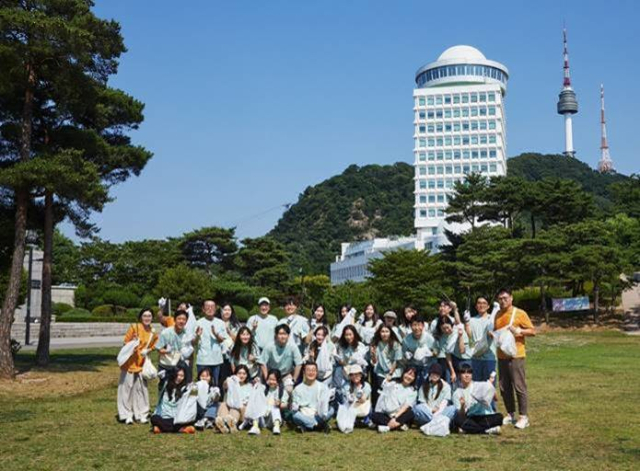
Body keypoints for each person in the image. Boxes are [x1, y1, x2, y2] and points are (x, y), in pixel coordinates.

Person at [493, 287, 535, 429]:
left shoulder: (519, 313)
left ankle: (523, 417)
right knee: (504, 387)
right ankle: (510, 414)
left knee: (519, 385)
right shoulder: (497, 314)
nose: (503, 301)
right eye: (500, 299)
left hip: (516, 355)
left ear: (511, 298)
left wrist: (519, 331)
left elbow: (532, 331)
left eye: (505, 298)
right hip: (501, 355)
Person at [117, 308, 158, 424]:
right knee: (126, 390)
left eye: (149, 316)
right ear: (141, 317)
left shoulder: (152, 332)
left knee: (141, 390)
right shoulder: (134, 328)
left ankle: (142, 413)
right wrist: (133, 344)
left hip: (141, 365)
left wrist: (148, 350)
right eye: (145, 316)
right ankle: (126, 414)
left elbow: (156, 344)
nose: (147, 318)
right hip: (129, 364)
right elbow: (125, 342)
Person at [451, 363, 503, 434]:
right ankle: (486, 430)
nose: (467, 375)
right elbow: (461, 414)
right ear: (459, 375)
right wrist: (462, 405)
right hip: (471, 417)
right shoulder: (457, 393)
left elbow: (496, 399)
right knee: (458, 420)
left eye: (469, 373)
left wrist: (490, 388)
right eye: (464, 373)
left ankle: (470, 430)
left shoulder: (479, 385)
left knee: (499, 417)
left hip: (484, 416)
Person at [290, 362, 334, 433]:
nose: (311, 372)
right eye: (308, 370)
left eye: (313, 370)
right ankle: (318, 426)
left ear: (316, 372)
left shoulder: (323, 387)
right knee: (295, 415)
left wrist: (320, 411)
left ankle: (307, 426)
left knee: (331, 410)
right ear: (304, 372)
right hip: (304, 415)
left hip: (318, 415)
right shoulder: (297, 389)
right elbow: (295, 407)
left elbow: (325, 404)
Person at [150, 366, 195, 434]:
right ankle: (181, 429)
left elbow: (193, 398)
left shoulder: (185, 388)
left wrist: (194, 388)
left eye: (182, 376)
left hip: (178, 418)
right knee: (154, 418)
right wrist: (161, 378)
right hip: (163, 416)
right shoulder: (165, 385)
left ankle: (161, 429)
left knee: (189, 420)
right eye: (177, 375)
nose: (179, 378)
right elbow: (161, 384)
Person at [371, 368, 418, 433]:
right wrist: (389, 375)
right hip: (387, 413)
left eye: (412, 376)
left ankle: (388, 427)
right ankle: (399, 425)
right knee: (374, 415)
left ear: (414, 379)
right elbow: (384, 385)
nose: (409, 377)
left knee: (410, 413)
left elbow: (406, 406)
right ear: (403, 374)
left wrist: (395, 417)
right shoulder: (394, 383)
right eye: (407, 374)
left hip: (399, 414)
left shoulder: (413, 391)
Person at [156, 309, 196, 384]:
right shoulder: (166, 332)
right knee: (165, 388)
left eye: (184, 319)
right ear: (174, 320)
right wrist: (167, 351)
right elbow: (158, 349)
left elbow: (191, 346)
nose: (181, 321)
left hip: (180, 365)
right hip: (167, 365)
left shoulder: (187, 333)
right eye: (179, 319)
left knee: (180, 388)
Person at [194, 299, 227, 386]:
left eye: (212, 307)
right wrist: (197, 335)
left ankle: (214, 399)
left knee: (215, 384)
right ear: (203, 309)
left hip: (216, 359)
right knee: (202, 384)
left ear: (215, 309)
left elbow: (222, 340)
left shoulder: (220, 323)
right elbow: (193, 342)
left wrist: (215, 334)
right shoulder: (198, 323)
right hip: (202, 359)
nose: (210, 309)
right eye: (207, 307)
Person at [247, 369, 289, 435]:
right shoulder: (264, 388)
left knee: (275, 408)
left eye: (274, 380)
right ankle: (255, 427)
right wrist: (256, 382)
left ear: (278, 380)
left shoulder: (282, 391)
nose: (271, 382)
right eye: (270, 379)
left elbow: (285, 404)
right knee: (256, 407)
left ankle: (276, 426)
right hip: (262, 417)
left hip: (272, 419)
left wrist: (280, 404)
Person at [466, 296, 498, 382]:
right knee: (476, 386)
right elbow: (470, 338)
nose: (481, 305)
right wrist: (466, 324)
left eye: (484, 303)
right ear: (476, 306)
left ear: (488, 306)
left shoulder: (493, 318)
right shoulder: (471, 320)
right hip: (476, 358)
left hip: (490, 358)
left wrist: (492, 334)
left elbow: (496, 335)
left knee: (489, 386)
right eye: (479, 303)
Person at [370, 324, 402, 406]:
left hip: (394, 372)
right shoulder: (376, 344)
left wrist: (390, 374)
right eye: (382, 331)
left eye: (387, 331)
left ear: (390, 332)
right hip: (380, 371)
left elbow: (396, 361)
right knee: (378, 392)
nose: (384, 334)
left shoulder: (395, 344)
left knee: (392, 392)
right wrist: (373, 354)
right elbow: (374, 362)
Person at [215, 365, 253, 433]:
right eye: (239, 373)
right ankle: (223, 423)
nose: (241, 376)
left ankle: (232, 424)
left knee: (236, 407)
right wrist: (228, 381)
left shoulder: (249, 386)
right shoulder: (231, 384)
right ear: (235, 374)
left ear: (247, 375)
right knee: (223, 404)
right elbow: (225, 386)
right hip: (230, 409)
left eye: (244, 374)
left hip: (243, 412)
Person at [401, 315, 436, 388]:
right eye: (414, 325)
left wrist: (428, 353)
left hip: (427, 366)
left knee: (425, 387)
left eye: (419, 325)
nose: (417, 328)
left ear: (423, 326)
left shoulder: (429, 338)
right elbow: (403, 354)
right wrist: (407, 355)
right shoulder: (406, 340)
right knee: (413, 386)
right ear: (410, 326)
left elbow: (436, 352)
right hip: (413, 367)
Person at [435, 316, 470, 386]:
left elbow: (462, 351)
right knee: (450, 379)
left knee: (464, 382)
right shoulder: (443, 338)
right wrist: (452, 371)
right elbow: (447, 355)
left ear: (451, 325)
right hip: (453, 359)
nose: (446, 330)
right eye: (443, 329)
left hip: (466, 359)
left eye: (448, 327)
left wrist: (460, 337)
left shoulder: (459, 331)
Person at [333, 325, 368, 392]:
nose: (348, 337)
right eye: (346, 335)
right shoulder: (341, 346)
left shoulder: (360, 346)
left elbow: (362, 361)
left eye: (350, 334)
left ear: (354, 334)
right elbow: (339, 357)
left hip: (357, 371)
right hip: (345, 371)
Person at [339, 364, 372, 429]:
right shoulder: (346, 386)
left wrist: (358, 397)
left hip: (362, 407)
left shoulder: (366, 386)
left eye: (357, 374)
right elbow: (346, 399)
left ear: (361, 375)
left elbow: (363, 399)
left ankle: (364, 420)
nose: (354, 377)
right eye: (352, 375)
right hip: (351, 406)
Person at [217, 302, 241, 387]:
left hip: (232, 356)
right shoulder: (216, 323)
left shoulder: (236, 325)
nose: (227, 312)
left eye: (229, 310)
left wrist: (229, 332)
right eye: (225, 310)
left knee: (231, 377)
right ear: (221, 311)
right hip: (218, 355)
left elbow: (239, 340)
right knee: (220, 378)